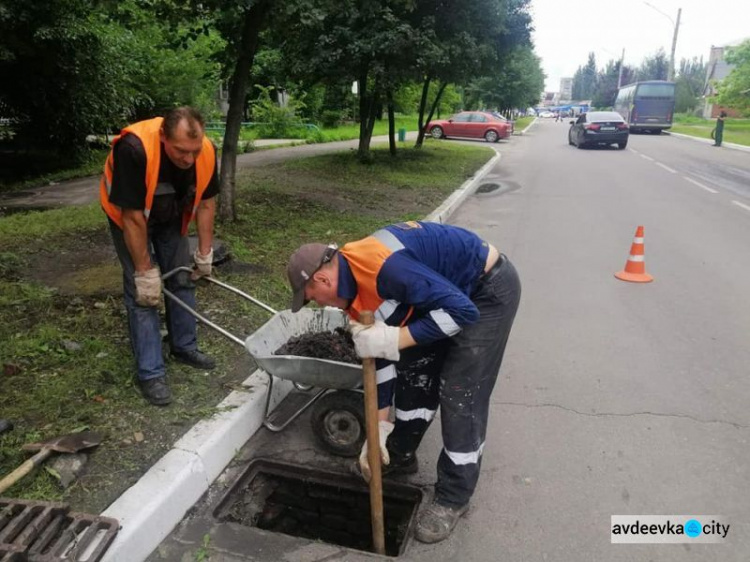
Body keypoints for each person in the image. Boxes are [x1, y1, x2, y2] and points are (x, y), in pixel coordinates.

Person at [286, 221, 521, 543]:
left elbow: (462, 312)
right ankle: (399, 454)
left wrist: (397, 337)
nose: (321, 305)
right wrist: (378, 431)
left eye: (314, 297)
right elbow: (380, 360)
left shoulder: (385, 269)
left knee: (459, 393)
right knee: (413, 373)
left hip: (484, 293)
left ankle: (453, 496)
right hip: (442, 297)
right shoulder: (353, 289)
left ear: (323, 278)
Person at [99, 107, 219, 406]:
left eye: (194, 151)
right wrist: (144, 270)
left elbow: (206, 204)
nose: (188, 159)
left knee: (181, 277)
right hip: (129, 216)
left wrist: (204, 253)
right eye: (180, 151)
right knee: (144, 293)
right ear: (164, 136)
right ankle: (150, 373)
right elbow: (133, 217)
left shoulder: (205, 151)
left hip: (170, 214)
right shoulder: (134, 149)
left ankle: (184, 346)